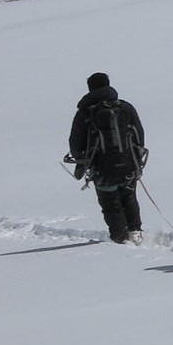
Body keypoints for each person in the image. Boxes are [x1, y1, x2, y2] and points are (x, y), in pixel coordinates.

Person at [67, 72, 146, 245]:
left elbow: (75, 143)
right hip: (128, 163)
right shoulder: (125, 107)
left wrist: (81, 159)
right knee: (129, 197)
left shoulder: (85, 112)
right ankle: (135, 233)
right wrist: (137, 158)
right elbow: (139, 134)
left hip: (101, 167)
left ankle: (120, 238)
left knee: (110, 203)